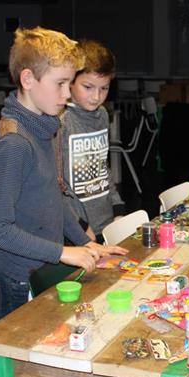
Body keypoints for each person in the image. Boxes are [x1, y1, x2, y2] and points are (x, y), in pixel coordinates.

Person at [0, 27, 128, 377]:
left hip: (44, 268)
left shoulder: (42, 126)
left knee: (47, 372)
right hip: (19, 277)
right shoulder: (14, 142)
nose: (67, 94)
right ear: (28, 79)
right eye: (61, 83)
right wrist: (65, 251)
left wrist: (85, 241)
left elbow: (55, 195)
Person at [58, 39, 126, 243]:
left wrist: (117, 207)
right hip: (74, 227)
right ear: (70, 81)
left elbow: (102, 166)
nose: (96, 96)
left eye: (104, 88)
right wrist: (78, 224)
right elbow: (55, 183)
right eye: (88, 87)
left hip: (105, 220)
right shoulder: (60, 120)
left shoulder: (102, 115)